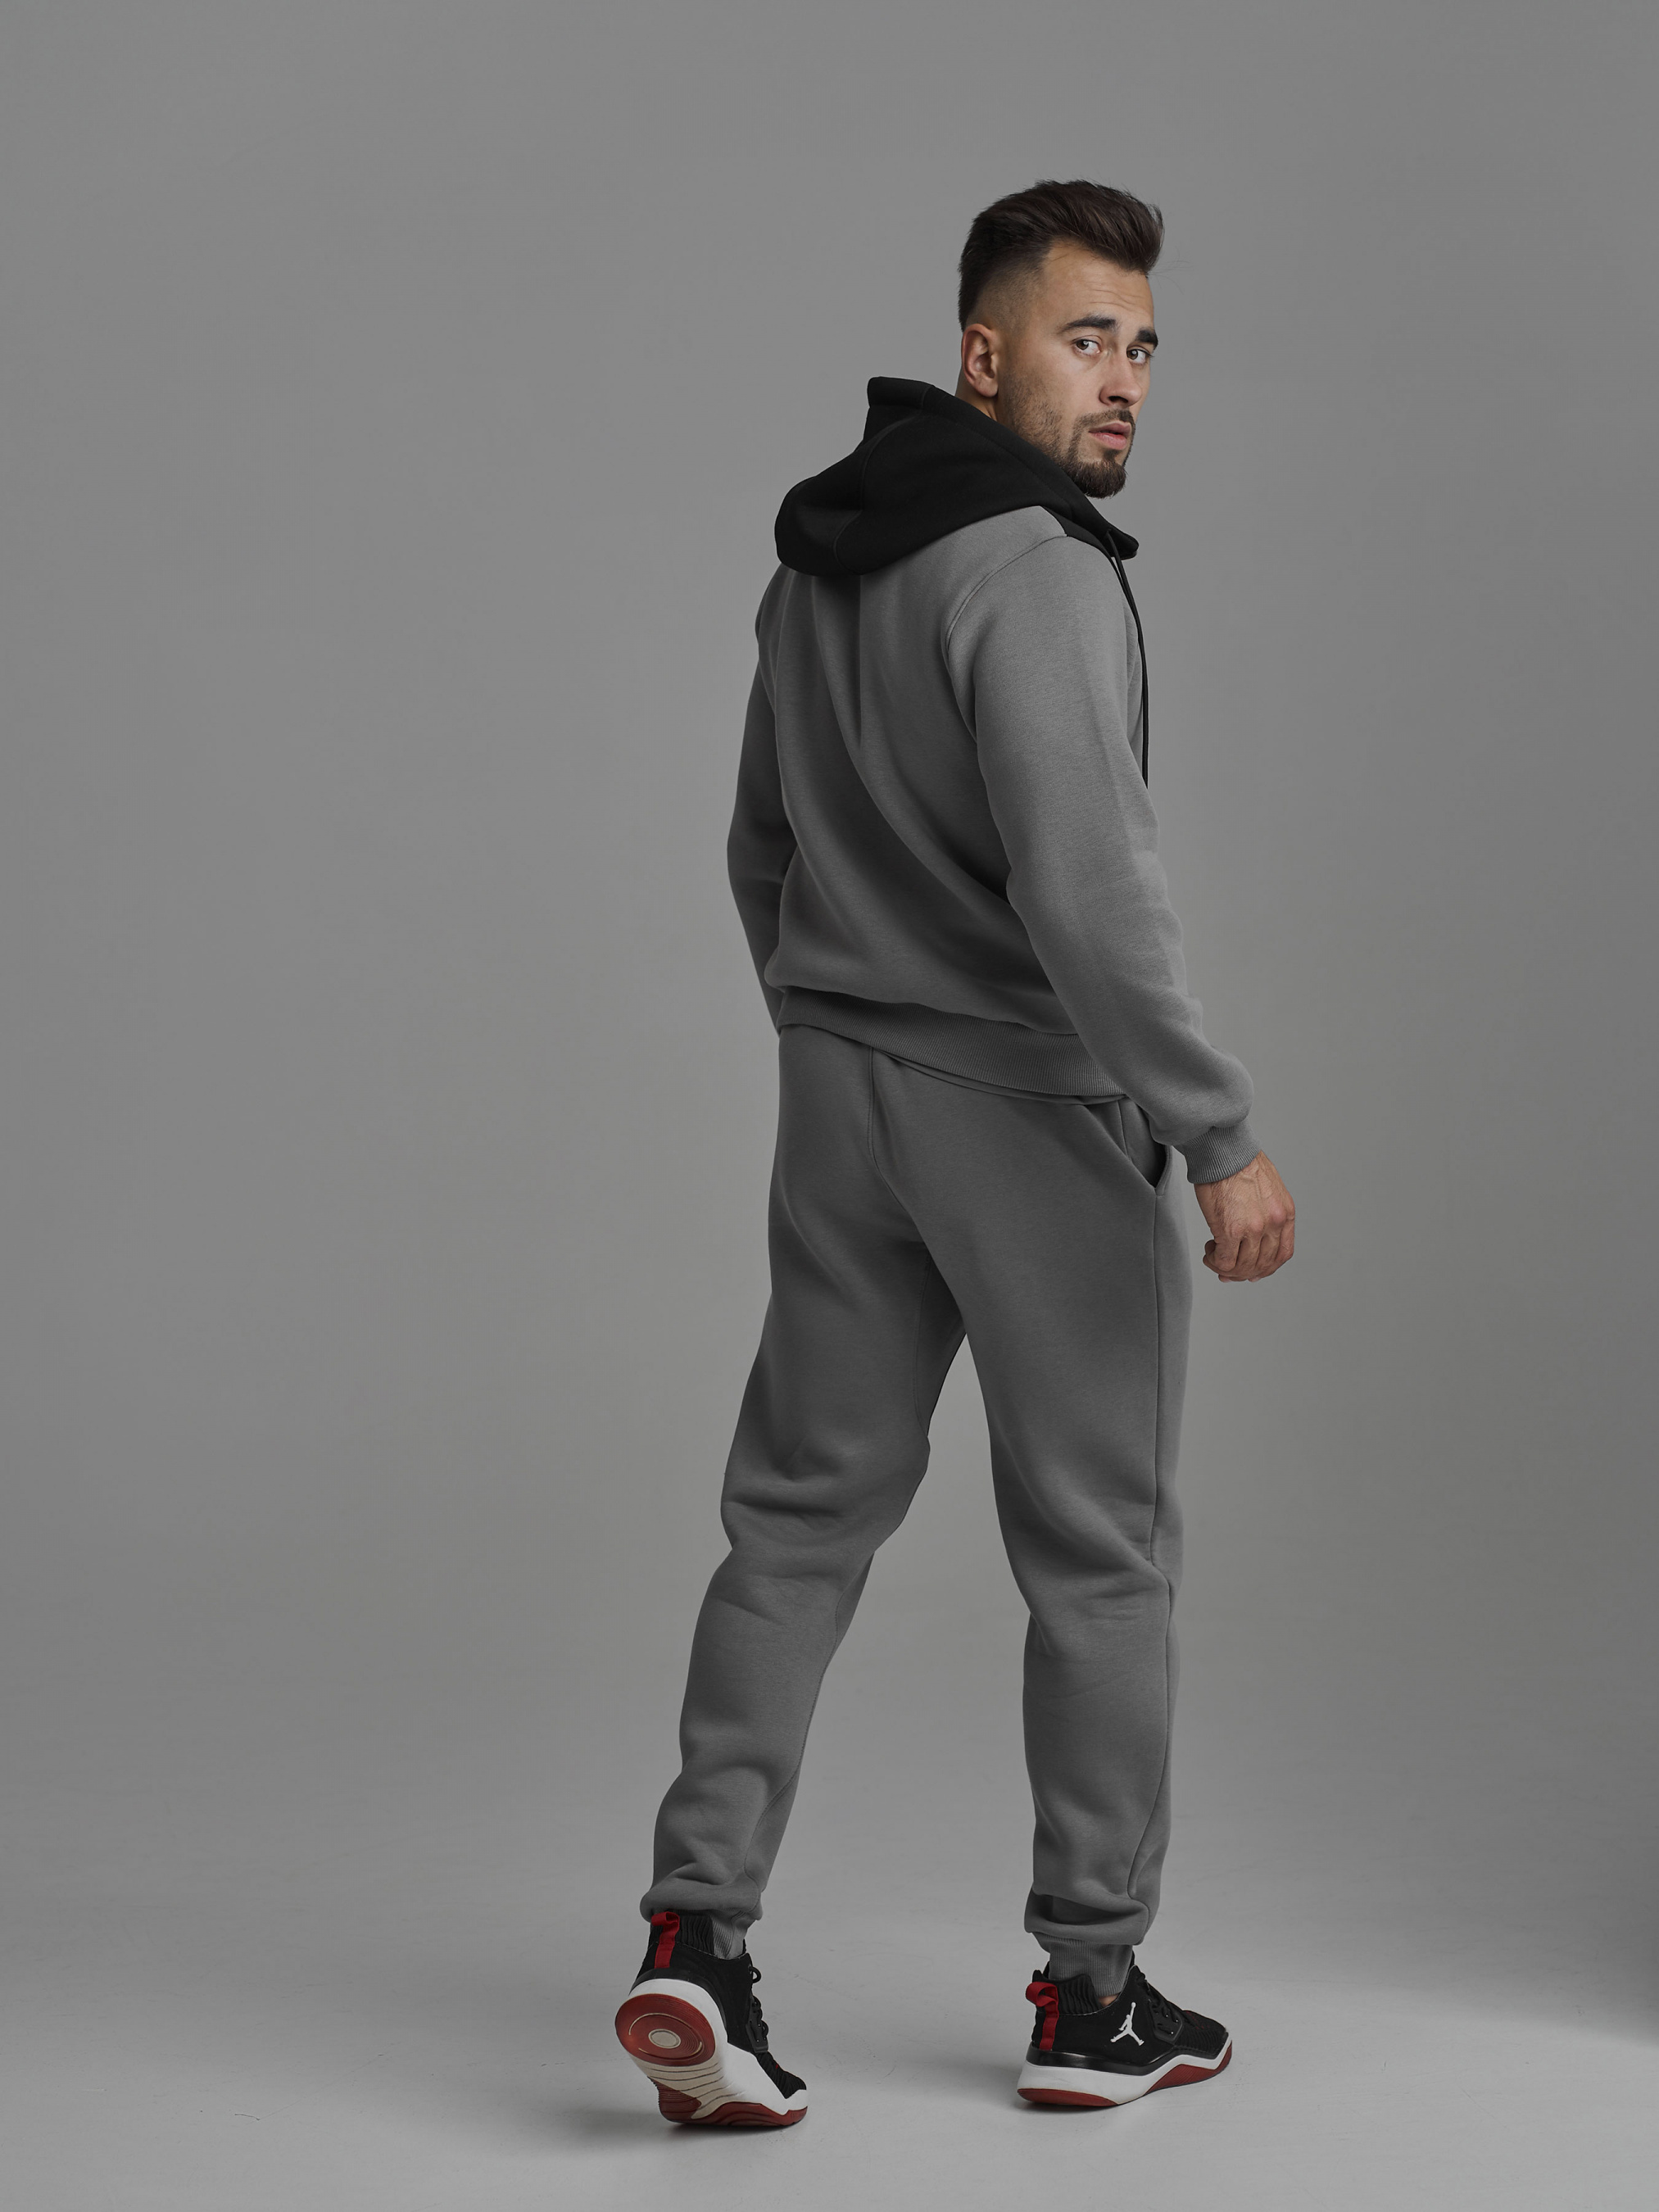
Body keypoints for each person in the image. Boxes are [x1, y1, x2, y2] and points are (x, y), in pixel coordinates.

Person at [612, 178, 1296, 2127]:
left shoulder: (817, 568)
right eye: (1086, 340)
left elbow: (758, 843)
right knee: (1099, 1557)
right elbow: (1090, 896)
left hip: (841, 1104)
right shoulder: (1035, 571)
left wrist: (829, 1017)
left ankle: (693, 1943)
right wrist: (1215, 1131)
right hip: (1022, 1109)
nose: (1123, 380)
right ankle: (1092, 1994)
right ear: (984, 354)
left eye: (1142, 346)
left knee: (791, 1523)